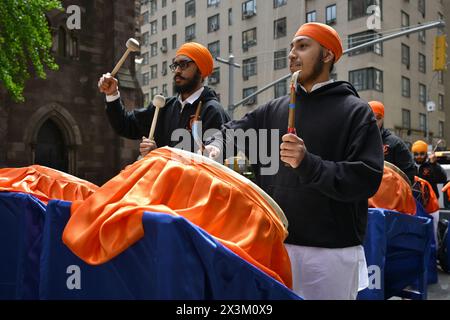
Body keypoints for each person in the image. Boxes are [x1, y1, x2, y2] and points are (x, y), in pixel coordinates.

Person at [204, 22, 384, 299]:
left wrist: (308, 164)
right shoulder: (274, 108)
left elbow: (366, 178)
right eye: (291, 47)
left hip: (331, 253)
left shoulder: (356, 112)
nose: (291, 53)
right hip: (276, 243)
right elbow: (232, 132)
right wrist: (215, 149)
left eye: (302, 46)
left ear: (326, 55)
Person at [98, 42, 230, 156]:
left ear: (200, 70)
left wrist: (159, 155)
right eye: (175, 65)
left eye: (184, 65)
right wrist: (112, 94)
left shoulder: (212, 111)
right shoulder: (163, 106)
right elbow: (125, 125)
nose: (177, 70)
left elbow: (210, 163)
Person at [368, 101, 416, 184]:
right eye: (371, 118)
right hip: (366, 193)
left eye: (378, 118)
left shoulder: (394, 143)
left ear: (382, 119)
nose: (374, 122)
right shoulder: (358, 141)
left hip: (389, 193)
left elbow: (410, 172)